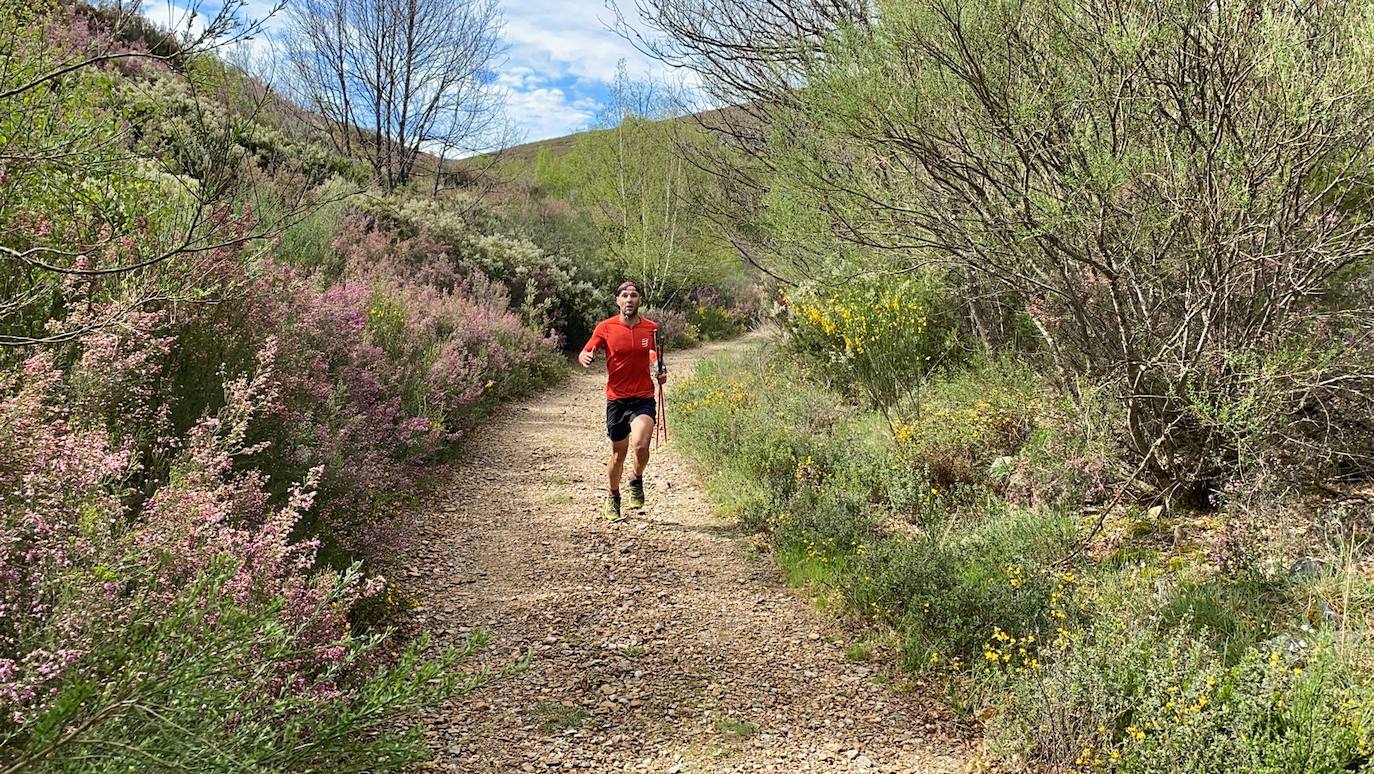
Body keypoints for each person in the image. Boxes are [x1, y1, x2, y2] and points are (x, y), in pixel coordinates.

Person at [579, 280, 668, 520]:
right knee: (618, 453)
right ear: (617, 300)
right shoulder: (605, 327)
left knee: (641, 445)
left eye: (634, 295)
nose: (629, 299)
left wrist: (659, 368)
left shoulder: (650, 328)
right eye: (625, 295)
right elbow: (588, 349)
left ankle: (636, 478)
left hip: (643, 396)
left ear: (640, 300)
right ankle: (613, 495)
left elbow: (653, 353)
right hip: (616, 399)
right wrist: (584, 356)